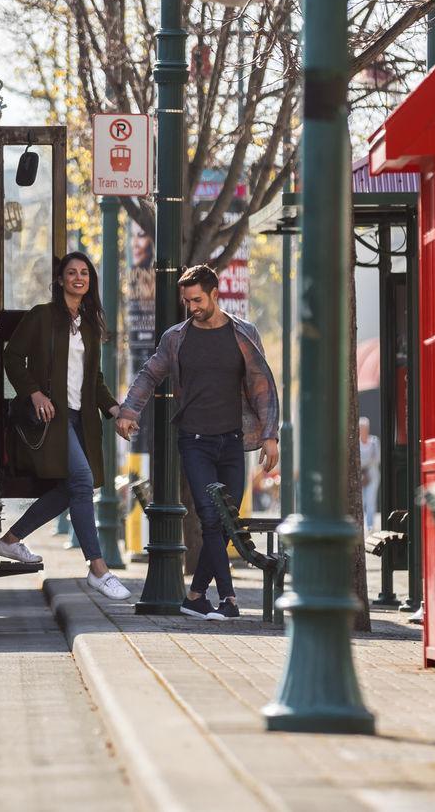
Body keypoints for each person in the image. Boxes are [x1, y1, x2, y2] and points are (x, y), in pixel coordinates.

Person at [116, 263, 280, 620]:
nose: (192, 307)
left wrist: (270, 435)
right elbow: (149, 373)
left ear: (215, 294)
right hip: (194, 440)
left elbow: (262, 387)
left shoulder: (243, 334)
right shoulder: (176, 338)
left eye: (197, 300)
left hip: (233, 440)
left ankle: (194, 596)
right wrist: (129, 411)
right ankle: (229, 599)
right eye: (187, 302)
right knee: (210, 517)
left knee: (227, 520)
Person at [0, 251, 131, 601]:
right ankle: (98, 569)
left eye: (84, 272)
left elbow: (94, 380)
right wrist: (35, 393)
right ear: (60, 280)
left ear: (90, 281)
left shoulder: (89, 324)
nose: (79, 277)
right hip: (49, 422)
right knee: (82, 482)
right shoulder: (41, 316)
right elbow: (11, 356)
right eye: (71, 272)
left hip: (80, 420)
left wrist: (116, 410)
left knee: (73, 490)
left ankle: (10, 540)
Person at [359, 416, 381, 531]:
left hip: (372, 476)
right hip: (360, 477)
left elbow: (377, 459)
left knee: (371, 500)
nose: (364, 430)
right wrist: (368, 461)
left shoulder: (374, 441)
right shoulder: (356, 443)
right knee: (361, 501)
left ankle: (370, 525)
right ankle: (361, 525)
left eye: (365, 427)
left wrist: (365, 462)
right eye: (362, 428)